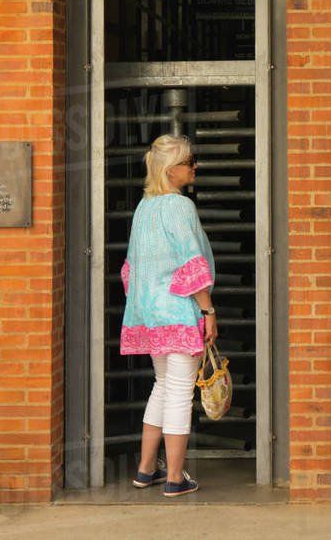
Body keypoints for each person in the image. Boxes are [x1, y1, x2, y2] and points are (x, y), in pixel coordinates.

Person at [120, 133, 218, 497]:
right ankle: (176, 478)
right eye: (190, 161)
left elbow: (130, 270)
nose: (195, 166)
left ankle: (146, 470)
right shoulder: (178, 207)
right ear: (171, 169)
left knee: (162, 387)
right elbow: (191, 263)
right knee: (179, 393)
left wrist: (146, 304)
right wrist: (207, 309)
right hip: (178, 311)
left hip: (149, 315)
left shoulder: (144, 207)